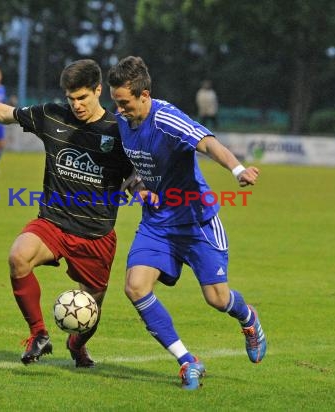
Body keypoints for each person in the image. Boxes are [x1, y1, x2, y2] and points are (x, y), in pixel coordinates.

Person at [0, 59, 136, 368]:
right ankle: (38, 334)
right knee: (18, 257)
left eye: (83, 97)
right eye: (71, 98)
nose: (77, 105)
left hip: (96, 234)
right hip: (52, 222)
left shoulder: (119, 131)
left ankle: (77, 345)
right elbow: (4, 114)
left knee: (89, 314)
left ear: (98, 91)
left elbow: (141, 171)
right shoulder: (52, 116)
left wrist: (137, 184)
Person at [107, 56, 266, 390]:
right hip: (158, 224)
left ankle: (248, 317)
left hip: (196, 222)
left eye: (124, 103)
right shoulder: (123, 122)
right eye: (115, 103)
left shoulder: (166, 118)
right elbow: (137, 167)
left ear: (144, 96)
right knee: (135, 287)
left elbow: (206, 142)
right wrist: (138, 190)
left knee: (218, 299)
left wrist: (238, 170)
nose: (119, 111)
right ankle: (187, 361)